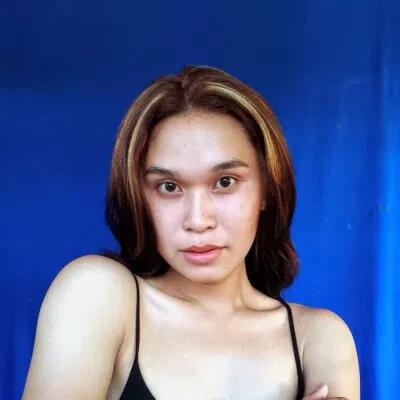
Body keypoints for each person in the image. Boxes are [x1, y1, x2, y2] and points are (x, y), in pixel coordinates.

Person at [22, 65, 360, 400]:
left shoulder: (317, 338)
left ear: (268, 189)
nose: (198, 220)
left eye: (225, 182)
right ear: (138, 197)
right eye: (169, 187)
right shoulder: (98, 293)